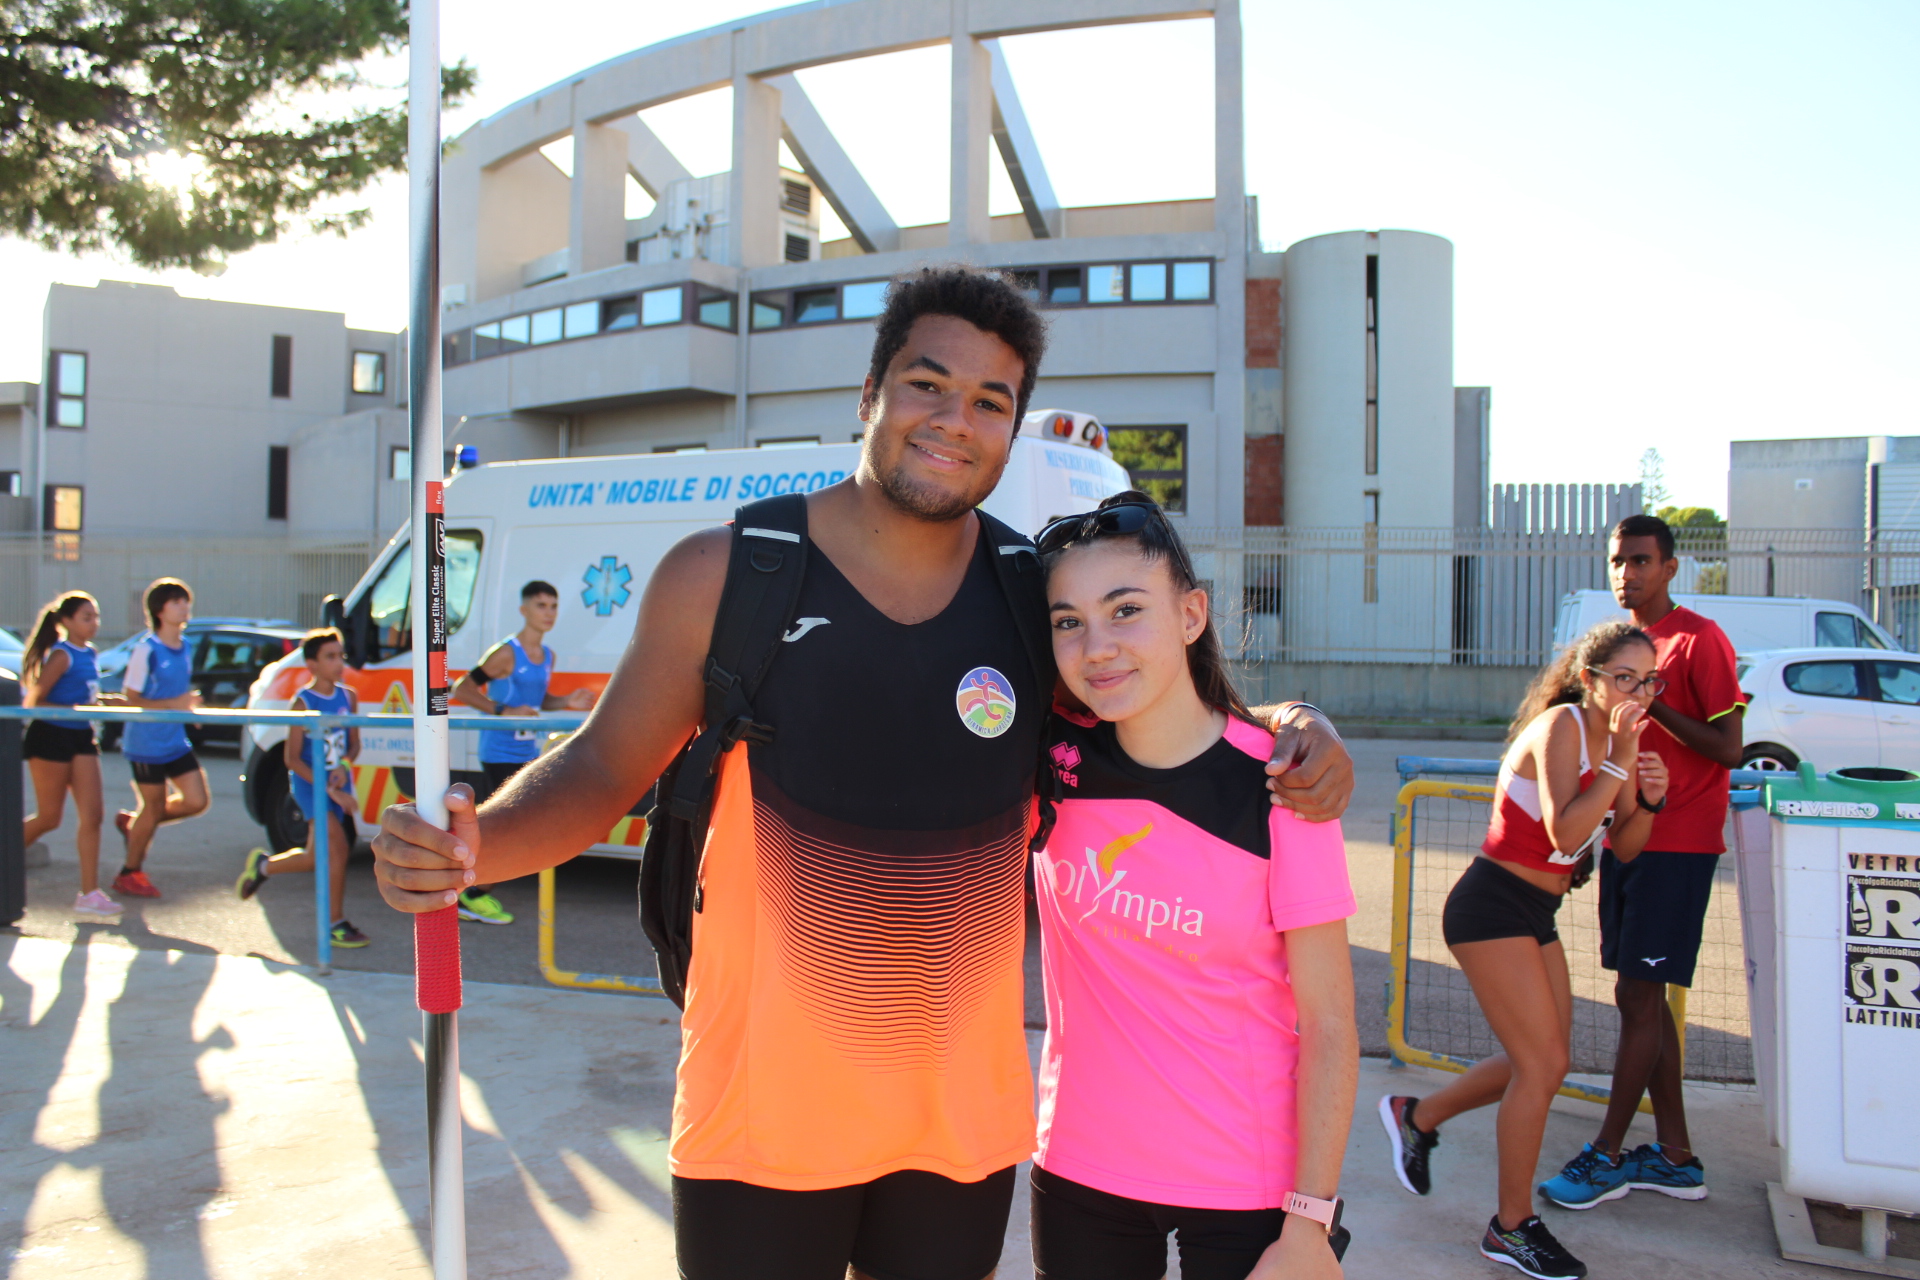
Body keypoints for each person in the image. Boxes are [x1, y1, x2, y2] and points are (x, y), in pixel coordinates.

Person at [370, 265, 1357, 1280]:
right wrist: (470, 848)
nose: (955, 419)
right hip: (761, 1121)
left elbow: (1148, 707)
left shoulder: (1029, 600)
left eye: (990, 402)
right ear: (870, 392)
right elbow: (599, 767)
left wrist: (1294, 724)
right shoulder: (726, 574)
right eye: (928, 384)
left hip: (957, 1133)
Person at [1030, 492, 1357, 1280]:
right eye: (1069, 621)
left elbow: (1331, 1025)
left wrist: (1309, 1223)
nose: (1097, 647)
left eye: (1126, 610)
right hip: (1079, 1164)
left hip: (1248, 1180)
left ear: (1190, 615)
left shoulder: (1282, 781)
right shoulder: (1048, 760)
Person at [1379, 622, 1670, 1280]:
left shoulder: (1620, 741)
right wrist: (1622, 762)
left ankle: (1418, 1116)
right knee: (1541, 1065)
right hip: (1491, 905)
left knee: (1542, 1061)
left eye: (1649, 681)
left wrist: (1650, 799)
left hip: (1536, 911)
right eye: (1625, 679)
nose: (1639, 694)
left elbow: (1626, 846)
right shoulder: (1564, 727)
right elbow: (1566, 832)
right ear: (1590, 680)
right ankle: (1510, 1227)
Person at [1537, 514, 1740, 1210]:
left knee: (1641, 999)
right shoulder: (1626, 645)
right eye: (1619, 561)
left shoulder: (1700, 640)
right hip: (1631, 838)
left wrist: (1652, 703)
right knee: (1639, 999)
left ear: (1670, 567)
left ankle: (1607, 1154)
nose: (1628, 573)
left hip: (1679, 844)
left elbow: (1730, 748)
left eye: (1642, 560)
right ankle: (1676, 1155)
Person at [449, 578, 596, 925]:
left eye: (553, 606)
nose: (548, 613)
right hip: (499, 751)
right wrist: (504, 711)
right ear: (524, 610)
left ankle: (473, 890)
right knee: (503, 824)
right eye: (541, 606)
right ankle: (470, 893)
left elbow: (538, 701)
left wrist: (567, 701)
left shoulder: (547, 656)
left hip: (527, 751)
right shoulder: (505, 653)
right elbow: (461, 688)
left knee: (517, 822)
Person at [235, 629, 369, 948]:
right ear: (312, 664)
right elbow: (292, 759)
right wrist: (329, 789)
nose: (339, 663)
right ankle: (335, 923)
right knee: (338, 848)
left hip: (337, 782)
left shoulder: (348, 697)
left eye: (340, 656)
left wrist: (343, 767)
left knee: (314, 857)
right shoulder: (302, 703)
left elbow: (354, 745)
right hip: (311, 785)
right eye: (330, 657)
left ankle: (263, 866)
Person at [110, 577, 210, 898]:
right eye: (176, 601)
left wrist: (188, 708)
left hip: (175, 740)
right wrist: (175, 703)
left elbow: (176, 693)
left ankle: (136, 824)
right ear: (159, 610)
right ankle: (129, 873)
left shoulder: (187, 646)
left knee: (197, 801)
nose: (184, 607)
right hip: (146, 742)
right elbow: (132, 698)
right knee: (152, 807)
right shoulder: (146, 649)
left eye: (186, 600)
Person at [20, 591, 115, 918]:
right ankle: (7, 854)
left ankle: (89, 893)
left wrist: (105, 703)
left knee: (93, 815)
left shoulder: (91, 653)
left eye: (96, 616)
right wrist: (73, 709)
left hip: (81, 736)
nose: (94, 623)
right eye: (87, 617)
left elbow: (86, 696)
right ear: (66, 621)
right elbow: (35, 701)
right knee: (50, 817)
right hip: (50, 736)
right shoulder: (61, 655)